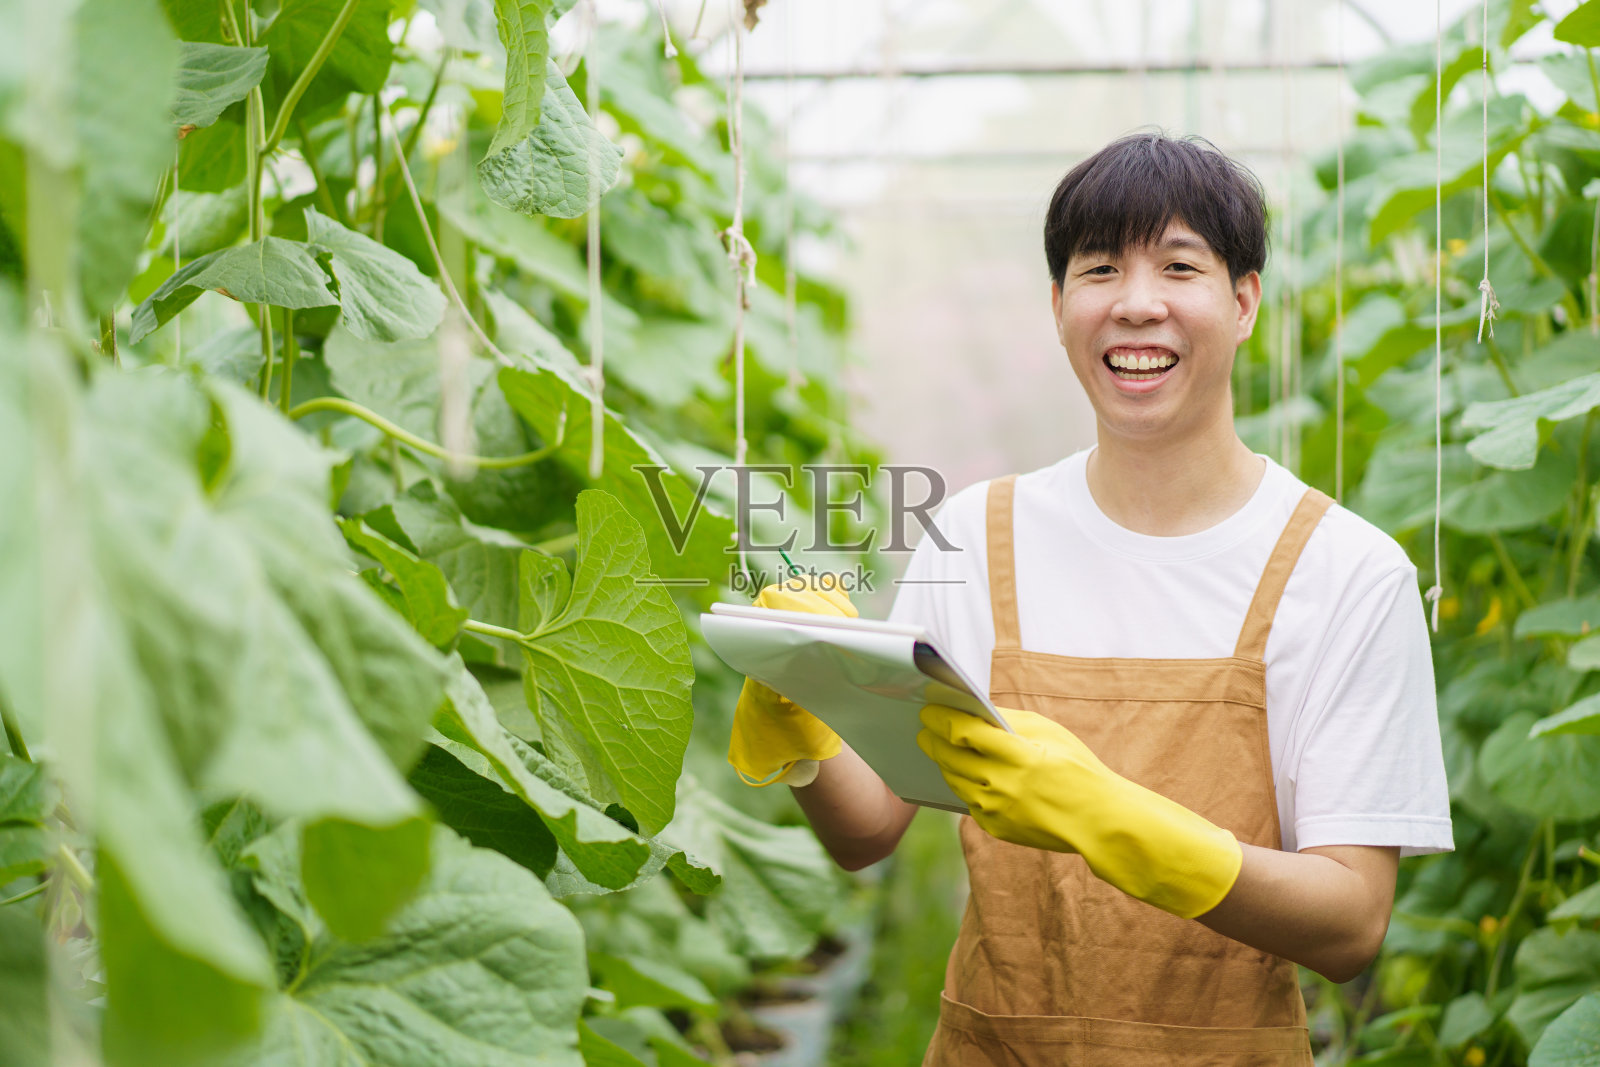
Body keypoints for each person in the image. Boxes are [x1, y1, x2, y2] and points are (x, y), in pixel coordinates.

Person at [726, 132, 1452, 1066]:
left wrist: (1120, 823)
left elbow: (1350, 923)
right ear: (1060, 305)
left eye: (1180, 267)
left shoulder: (1345, 570)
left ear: (1243, 301)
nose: (1137, 304)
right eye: (1100, 269)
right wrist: (806, 717)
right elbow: (870, 830)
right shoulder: (973, 531)